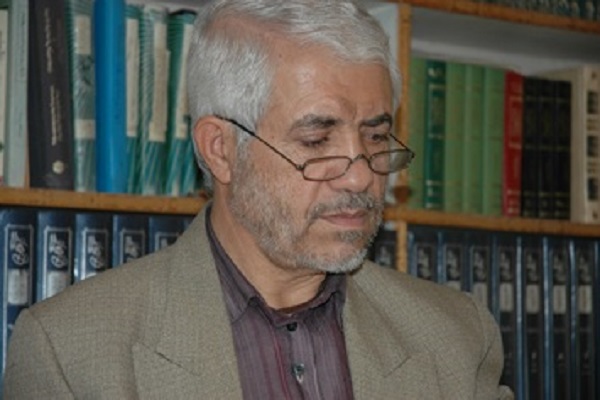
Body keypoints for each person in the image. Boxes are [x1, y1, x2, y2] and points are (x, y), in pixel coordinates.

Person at [3, 0, 512, 398]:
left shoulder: (457, 337)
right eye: (316, 141)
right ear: (221, 150)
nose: (360, 177)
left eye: (376, 137)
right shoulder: (69, 353)